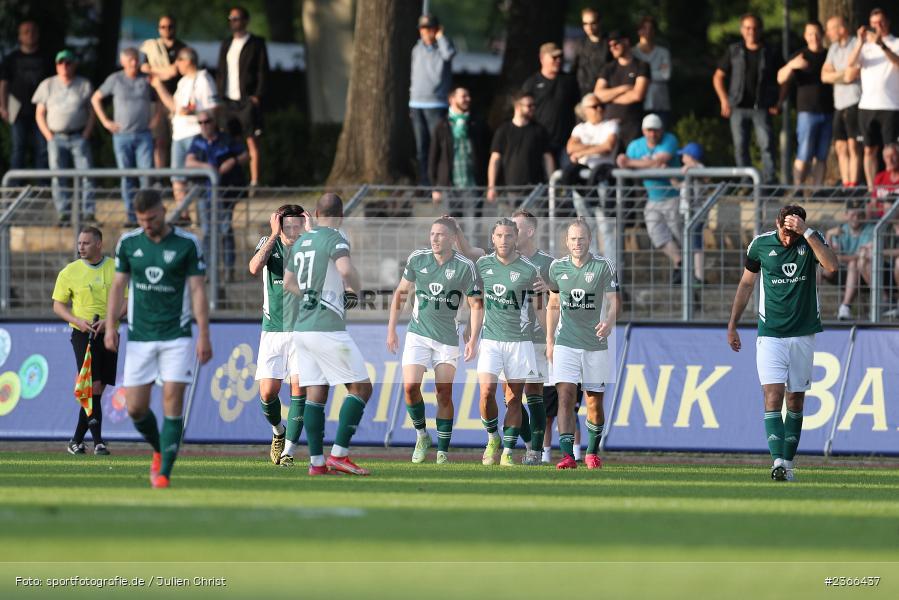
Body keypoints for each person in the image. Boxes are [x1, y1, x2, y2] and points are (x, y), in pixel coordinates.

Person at [105, 189, 212, 489]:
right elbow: (117, 287)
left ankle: (164, 473)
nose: (148, 224)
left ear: (163, 211)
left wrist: (203, 333)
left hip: (176, 336)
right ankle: (158, 447)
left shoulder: (187, 245)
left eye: (152, 218)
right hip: (139, 337)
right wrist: (112, 325)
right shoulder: (129, 243)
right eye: (142, 220)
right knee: (136, 408)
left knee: (171, 401)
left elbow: (198, 291)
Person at [728, 205, 838, 482]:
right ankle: (777, 461)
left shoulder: (811, 240)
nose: (788, 238)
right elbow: (745, 285)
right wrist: (733, 323)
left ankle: (788, 463)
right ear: (777, 224)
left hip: (803, 332)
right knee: (773, 395)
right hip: (771, 333)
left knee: (796, 399)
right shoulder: (760, 245)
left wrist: (807, 233)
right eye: (784, 232)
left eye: (793, 232)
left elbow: (832, 266)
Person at [283, 193, 372, 476]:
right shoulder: (335, 237)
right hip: (327, 329)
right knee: (362, 388)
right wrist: (357, 288)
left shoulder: (301, 242)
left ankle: (317, 463)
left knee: (315, 395)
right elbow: (346, 269)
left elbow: (287, 282)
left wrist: (310, 295)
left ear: (315, 213)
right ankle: (339, 455)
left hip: (303, 329)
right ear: (341, 216)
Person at [386, 217, 479, 464]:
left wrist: (473, 336)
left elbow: (475, 304)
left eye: (440, 234)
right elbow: (401, 293)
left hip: (447, 339)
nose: (435, 238)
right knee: (409, 387)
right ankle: (421, 435)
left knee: (443, 393)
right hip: (418, 334)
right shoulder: (418, 258)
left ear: (451, 238)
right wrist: (392, 329)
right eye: (432, 234)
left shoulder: (464, 266)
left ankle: (442, 451)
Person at [465, 218, 543, 466]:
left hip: (519, 341)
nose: (504, 240)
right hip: (490, 340)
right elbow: (476, 305)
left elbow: (542, 307)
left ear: (516, 237)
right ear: (492, 239)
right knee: (486, 393)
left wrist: (551, 339)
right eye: (499, 235)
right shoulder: (482, 265)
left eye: (509, 236)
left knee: (514, 399)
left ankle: (508, 451)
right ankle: (492, 438)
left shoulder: (529, 269)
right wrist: (473, 338)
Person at [546, 219, 618, 469]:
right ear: (566, 242)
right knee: (565, 396)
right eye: (573, 239)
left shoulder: (603, 266)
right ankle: (567, 455)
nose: (577, 243)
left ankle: (592, 451)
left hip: (595, 344)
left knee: (593, 402)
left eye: (582, 238)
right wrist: (549, 339)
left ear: (589, 240)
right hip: (566, 342)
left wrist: (609, 321)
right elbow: (553, 305)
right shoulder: (557, 268)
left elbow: (615, 301)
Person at [52, 226, 121, 456]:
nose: (81, 247)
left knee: (99, 388)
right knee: (91, 386)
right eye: (79, 243)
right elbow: (58, 305)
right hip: (83, 334)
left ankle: (76, 440)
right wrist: (77, 321)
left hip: (109, 332)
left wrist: (109, 320)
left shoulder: (115, 268)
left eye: (86, 243)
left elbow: (128, 301)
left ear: (99, 244)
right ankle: (99, 442)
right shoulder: (69, 272)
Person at [248, 204, 308, 466]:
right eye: (288, 226)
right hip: (273, 330)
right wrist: (273, 236)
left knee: (299, 389)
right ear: (279, 225)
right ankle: (278, 432)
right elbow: (254, 267)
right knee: (268, 393)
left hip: (303, 330)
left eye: (298, 226)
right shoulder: (268, 242)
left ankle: (289, 452)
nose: (293, 231)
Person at [712, 13, 782, 185]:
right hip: (738, 106)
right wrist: (724, 100)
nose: (751, 31)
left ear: (760, 30)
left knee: (766, 145)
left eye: (755, 28)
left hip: (762, 106)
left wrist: (779, 101)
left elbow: (784, 76)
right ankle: (746, 183)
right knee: (740, 147)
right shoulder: (734, 50)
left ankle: (769, 182)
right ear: (742, 30)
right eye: (748, 28)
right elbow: (718, 76)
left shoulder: (770, 52)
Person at [616, 113, 683, 283]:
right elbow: (623, 161)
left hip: (674, 196)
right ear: (643, 131)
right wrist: (648, 164)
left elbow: (661, 159)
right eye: (649, 130)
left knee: (681, 234)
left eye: (656, 130)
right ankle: (680, 262)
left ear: (661, 130)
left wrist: (633, 163)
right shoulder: (636, 145)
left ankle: (691, 270)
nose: (652, 134)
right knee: (657, 235)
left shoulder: (670, 139)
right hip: (653, 198)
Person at [92, 48, 156, 225]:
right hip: (121, 135)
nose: (133, 63)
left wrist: (156, 119)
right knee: (126, 176)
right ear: (123, 62)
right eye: (129, 60)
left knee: (146, 175)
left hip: (143, 134)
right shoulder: (115, 79)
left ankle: (148, 214)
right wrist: (106, 122)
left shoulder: (146, 79)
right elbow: (95, 98)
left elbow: (159, 99)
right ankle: (131, 216)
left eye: (135, 60)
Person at [32, 49, 95, 225]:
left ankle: (88, 212)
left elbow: (92, 112)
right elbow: (39, 114)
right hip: (55, 137)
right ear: (56, 65)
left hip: (78, 135)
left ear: (74, 64)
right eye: (61, 62)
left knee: (86, 174)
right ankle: (63, 213)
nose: (64, 66)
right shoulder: (47, 84)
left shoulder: (84, 84)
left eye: (68, 62)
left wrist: (86, 134)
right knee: (57, 176)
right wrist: (49, 136)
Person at [150, 47, 218, 208]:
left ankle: (203, 214)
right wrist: (158, 86)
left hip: (195, 133)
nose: (176, 65)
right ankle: (183, 214)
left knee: (197, 177)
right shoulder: (182, 82)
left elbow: (214, 108)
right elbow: (175, 107)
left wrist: (194, 111)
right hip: (178, 134)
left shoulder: (203, 79)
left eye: (178, 60)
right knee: (177, 176)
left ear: (187, 61)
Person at [185, 109, 249, 280]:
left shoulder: (226, 139)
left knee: (225, 229)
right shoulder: (197, 141)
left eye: (207, 122)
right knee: (206, 232)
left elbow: (245, 154)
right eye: (200, 123)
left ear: (214, 122)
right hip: (204, 193)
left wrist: (232, 161)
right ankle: (208, 271)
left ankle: (229, 270)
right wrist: (207, 168)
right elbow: (189, 162)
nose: (204, 125)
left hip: (225, 193)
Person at [216, 6, 269, 188]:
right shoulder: (226, 43)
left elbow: (263, 71)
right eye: (231, 19)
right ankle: (232, 180)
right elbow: (221, 71)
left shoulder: (256, 43)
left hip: (247, 99)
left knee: (251, 141)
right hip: (228, 100)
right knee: (229, 141)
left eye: (237, 18)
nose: (233, 22)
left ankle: (255, 182)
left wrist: (257, 96)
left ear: (245, 20)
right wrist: (219, 95)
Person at [847, 8, 899, 189]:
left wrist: (882, 46)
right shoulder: (865, 47)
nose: (878, 27)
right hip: (867, 105)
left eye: (881, 22)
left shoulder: (896, 43)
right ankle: (872, 191)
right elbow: (851, 63)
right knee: (869, 149)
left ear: (888, 23)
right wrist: (860, 42)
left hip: (891, 105)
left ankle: (893, 188)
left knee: (891, 151)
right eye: (874, 24)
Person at [778, 21, 833, 186]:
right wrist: (792, 65)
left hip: (828, 111)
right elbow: (780, 78)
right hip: (807, 112)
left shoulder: (830, 55)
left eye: (816, 33)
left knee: (822, 154)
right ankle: (798, 188)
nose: (814, 37)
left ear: (822, 34)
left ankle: (817, 190)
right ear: (805, 36)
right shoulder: (800, 56)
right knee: (804, 152)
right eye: (810, 34)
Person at [409, 13, 456, 186]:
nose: (424, 32)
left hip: (437, 103)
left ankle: (440, 182)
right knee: (422, 148)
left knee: (438, 146)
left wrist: (441, 37)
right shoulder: (417, 49)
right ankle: (425, 183)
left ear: (435, 30)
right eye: (422, 29)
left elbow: (449, 54)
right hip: (416, 103)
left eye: (428, 28)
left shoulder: (443, 47)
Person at [0, 20, 53, 170]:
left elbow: (53, 84)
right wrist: (3, 107)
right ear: (20, 36)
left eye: (33, 31)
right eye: (26, 32)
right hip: (16, 109)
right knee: (18, 148)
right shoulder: (11, 58)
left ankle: (43, 186)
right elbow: (3, 84)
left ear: (38, 35)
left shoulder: (46, 58)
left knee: (43, 148)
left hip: (41, 110)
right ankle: (16, 187)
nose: (30, 35)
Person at [428, 86, 489, 216]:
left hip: (474, 184)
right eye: (463, 96)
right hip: (450, 186)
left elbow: (487, 152)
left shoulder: (477, 123)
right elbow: (433, 157)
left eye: (468, 96)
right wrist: (435, 186)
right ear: (452, 99)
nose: (468, 99)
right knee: (453, 229)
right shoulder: (442, 125)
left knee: (474, 229)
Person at [486, 92, 554, 204]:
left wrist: (552, 185)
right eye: (529, 105)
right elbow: (495, 159)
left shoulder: (539, 130)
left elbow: (547, 157)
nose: (533, 108)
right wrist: (491, 186)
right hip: (509, 189)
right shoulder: (503, 130)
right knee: (509, 221)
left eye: (534, 105)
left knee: (535, 221)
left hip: (535, 189)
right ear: (517, 106)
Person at [522, 42, 581, 167]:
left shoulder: (569, 81)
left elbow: (578, 108)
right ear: (542, 58)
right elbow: (524, 113)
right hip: (540, 142)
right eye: (554, 57)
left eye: (560, 57)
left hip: (565, 142)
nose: (558, 60)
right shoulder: (531, 83)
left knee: (563, 181)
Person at [140, 14, 186, 170]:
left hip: (176, 100)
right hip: (157, 101)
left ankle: (178, 176)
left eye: (170, 26)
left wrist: (155, 71)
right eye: (163, 27)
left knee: (178, 139)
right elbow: (145, 70)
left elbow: (173, 72)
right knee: (159, 141)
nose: (166, 30)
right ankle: (160, 177)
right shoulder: (152, 47)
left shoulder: (181, 48)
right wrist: (163, 71)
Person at [822, 16, 862, 188]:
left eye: (831, 28)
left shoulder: (856, 44)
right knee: (840, 147)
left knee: (854, 145)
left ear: (841, 28)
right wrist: (842, 74)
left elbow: (852, 74)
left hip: (854, 101)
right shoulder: (833, 48)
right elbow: (824, 76)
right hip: (839, 104)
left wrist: (838, 75)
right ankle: (846, 185)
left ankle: (854, 185)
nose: (828, 32)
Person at [595, 30, 650, 150]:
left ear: (626, 42)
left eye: (615, 44)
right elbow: (598, 95)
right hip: (610, 125)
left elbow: (637, 95)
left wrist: (610, 97)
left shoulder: (641, 65)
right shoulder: (608, 68)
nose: (612, 48)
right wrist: (623, 89)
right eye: (610, 46)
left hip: (633, 125)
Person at [824, 200, 876, 320]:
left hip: (864, 273)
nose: (856, 218)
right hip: (839, 272)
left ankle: (845, 306)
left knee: (854, 264)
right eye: (852, 215)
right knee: (818, 265)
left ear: (864, 216)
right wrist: (828, 235)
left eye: (859, 215)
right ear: (846, 215)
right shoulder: (840, 230)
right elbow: (828, 255)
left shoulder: (870, 229)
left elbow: (858, 257)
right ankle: (806, 304)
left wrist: (839, 258)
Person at [560, 93, 618, 188]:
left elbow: (608, 147)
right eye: (594, 106)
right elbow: (570, 148)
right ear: (585, 110)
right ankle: (563, 197)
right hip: (582, 174)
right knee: (568, 171)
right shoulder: (579, 128)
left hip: (603, 173)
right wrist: (598, 146)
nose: (599, 109)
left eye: (601, 106)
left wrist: (581, 153)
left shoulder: (611, 125)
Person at [632, 16, 672, 127]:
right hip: (639, 103)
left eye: (651, 28)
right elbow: (631, 76)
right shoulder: (632, 53)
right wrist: (654, 73)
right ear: (638, 30)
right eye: (644, 28)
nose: (648, 31)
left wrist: (643, 77)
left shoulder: (663, 52)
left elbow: (665, 75)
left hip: (660, 103)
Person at [679, 142, 708, 284]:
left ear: (691, 157)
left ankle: (699, 276)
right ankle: (692, 275)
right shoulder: (687, 169)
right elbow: (680, 186)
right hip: (687, 212)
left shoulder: (698, 168)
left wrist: (692, 167)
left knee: (696, 244)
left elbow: (705, 176)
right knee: (690, 244)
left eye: (684, 155)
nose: (682, 157)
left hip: (696, 212)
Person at [571, 7, 612, 97]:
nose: (589, 27)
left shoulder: (610, 43)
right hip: (581, 94)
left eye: (592, 23)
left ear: (600, 22)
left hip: (604, 94)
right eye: (585, 23)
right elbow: (574, 69)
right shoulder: (580, 44)